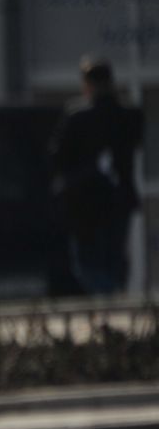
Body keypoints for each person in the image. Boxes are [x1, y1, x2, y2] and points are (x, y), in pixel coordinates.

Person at [51, 56, 145, 294]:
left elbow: (58, 157)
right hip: (118, 199)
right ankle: (113, 298)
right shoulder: (129, 116)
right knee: (113, 257)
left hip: (86, 203)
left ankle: (106, 296)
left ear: (87, 84)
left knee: (87, 262)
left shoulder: (78, 117)